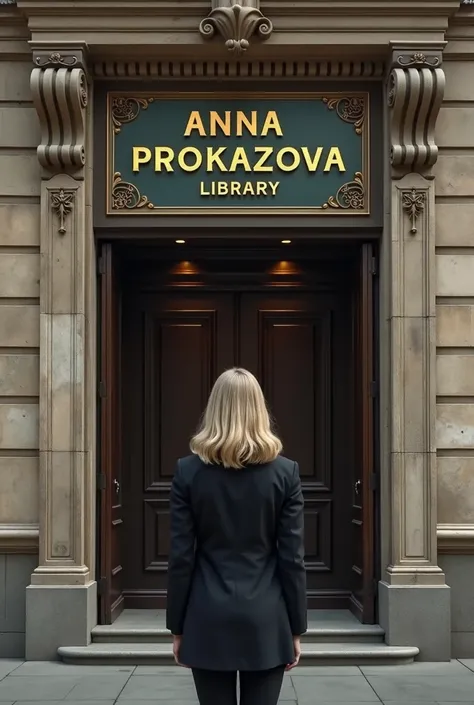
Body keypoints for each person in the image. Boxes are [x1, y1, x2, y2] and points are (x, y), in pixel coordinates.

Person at [166, 367, 307, 705]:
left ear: (213, 409)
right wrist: (296, 628)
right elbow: (292, 558)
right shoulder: (285, 473)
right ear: (259, 409)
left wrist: (177, 627)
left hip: (207, 614)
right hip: (266, 618)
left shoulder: (187, 472)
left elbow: (181, 556)